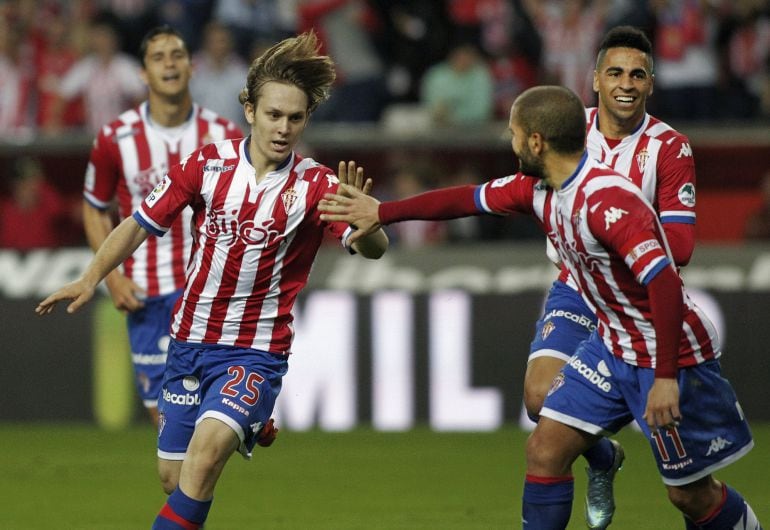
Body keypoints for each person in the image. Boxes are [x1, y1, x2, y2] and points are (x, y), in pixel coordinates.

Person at [318, 85, 762, 530]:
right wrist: (383, 212)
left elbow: (664, 282)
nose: (509, 144)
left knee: (689, 495)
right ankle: (603, 459)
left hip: (667, 355)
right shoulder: (536, 189)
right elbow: (465, 199)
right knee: (546, 450)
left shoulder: (608, 202)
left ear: (535, 142)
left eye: (513, 134)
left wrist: (664, 377)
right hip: (612, 345)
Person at [37, 31, 388, 530]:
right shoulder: (208, 164)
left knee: (202, 467)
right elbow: (137, 222)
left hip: (254, 349)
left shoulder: (317, 185)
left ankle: (247, 405)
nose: (284, 127)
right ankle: (255, 419)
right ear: (250, 110)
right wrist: (91, 276)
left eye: (295, 117)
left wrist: (369, 226)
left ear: (306, 119)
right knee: (172, 477)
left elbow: (371, 249)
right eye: (273, 115)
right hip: (188, 340)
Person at [524, 25, 700, 529]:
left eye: (638, 75)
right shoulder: (565, 130)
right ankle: (603, 457)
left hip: (638, 302)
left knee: (687, 482)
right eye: (616, 72)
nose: (626, 83)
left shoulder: (669, 147)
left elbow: (680, 248)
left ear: (651, 84)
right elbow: (518, 190)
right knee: (538, 399)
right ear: (594, 78)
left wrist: (619, 233)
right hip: (576, 289)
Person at [81, 25, 244, 426]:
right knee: (168, 422)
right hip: (147, 293)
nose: (169, 63)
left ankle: (251, 415)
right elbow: (94, 208)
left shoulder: (225, 136)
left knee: (211, 414)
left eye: (177, 55)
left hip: (209, 292)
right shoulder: (115, 137)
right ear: (143, 73)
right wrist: (113, 279)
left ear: (192, 66)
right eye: (158, 57)